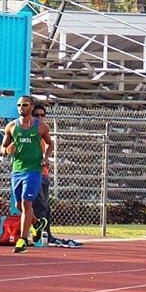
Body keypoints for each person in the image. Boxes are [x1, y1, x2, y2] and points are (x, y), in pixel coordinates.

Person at [0, 95, 52, 254]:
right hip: (17, 170)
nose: (21, 107)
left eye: (25, 104)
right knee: (18, 205)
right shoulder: (11, 126)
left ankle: (22, 240)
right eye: (19, 105)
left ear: (31, 107)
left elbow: (50, 143)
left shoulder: (41, 127)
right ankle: (36, 224)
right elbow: (3, 147)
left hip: (34, 171)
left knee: (26, 204)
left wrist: (45, 157)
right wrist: (6, 150)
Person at [32, 104, 81, 249]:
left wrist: (46, 158)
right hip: (33, 174)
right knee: (39, 206)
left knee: (46, 207)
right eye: (37, 115)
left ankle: (47, 233)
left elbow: (49, 145)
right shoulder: (28, 130)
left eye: (42, 115)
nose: (40, 117)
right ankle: (40, 235)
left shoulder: (44, 130)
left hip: (44, 173)